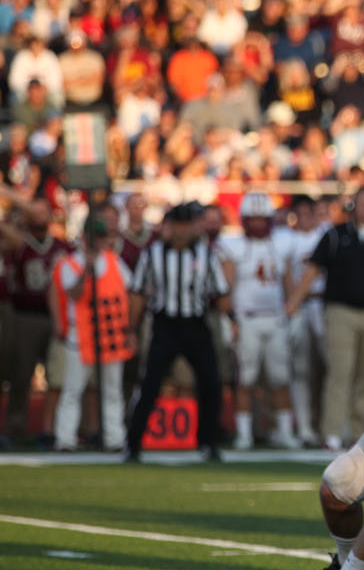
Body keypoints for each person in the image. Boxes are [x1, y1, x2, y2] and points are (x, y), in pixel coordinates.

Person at [124, 203, 230, 461]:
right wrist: (131, 328)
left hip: (196, 323)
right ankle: (133, 442)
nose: (186, 230)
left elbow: (221, 292)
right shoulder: (153, 254)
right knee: (150, 384)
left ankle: (208, 441)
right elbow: (137, 293)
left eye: (189, 224)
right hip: (165, 324)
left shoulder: (207, 254)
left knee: (210, 382)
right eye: (181, 224)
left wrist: (230, 319)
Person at [288, 189, 364, 451]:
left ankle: (358, 432)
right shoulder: (335, 235)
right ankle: (332, 431)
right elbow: (314, 268)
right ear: (353, 207)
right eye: (362, 203)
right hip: (339, 311)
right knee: (339, 372)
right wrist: (296, 299)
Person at [216, 193, 298, 450]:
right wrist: (229, 318)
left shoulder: (281, 244)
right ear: (244, 220)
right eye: (254, 219)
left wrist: (291, 314)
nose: (259, 224)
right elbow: (227, 286)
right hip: (247, 318)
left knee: (280, 378)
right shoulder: (233, 245)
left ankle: (284, 432)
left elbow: (288, 285)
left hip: (275, 318)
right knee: (246, 379)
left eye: (263, 219)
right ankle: (244, 434)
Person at [53, 214, 132, 452]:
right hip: (81, 335)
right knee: (73, 389)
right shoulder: (69, 263)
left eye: (101, 237)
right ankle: (65, 438)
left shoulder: (113, 260)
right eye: (95, 237)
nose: (98, 242)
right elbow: (73, 293)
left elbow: (129, 288)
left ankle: (115, 438)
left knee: (112, 390)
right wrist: (86, 270)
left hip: (110, 334)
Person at [1, 197, 70, 447]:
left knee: (58, 377)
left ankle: (55, 430)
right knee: (21, 374)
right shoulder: (19, 244)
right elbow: (11, 238)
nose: (39, 216)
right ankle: (14, 428)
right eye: (35, 211)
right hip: (26, 316)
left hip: (56, 318)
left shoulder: (62, 246)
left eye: (43, 211)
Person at [275, 195, 327, 446]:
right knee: (301, 370)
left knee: (329, 368)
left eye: (310, 212)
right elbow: (284, 273)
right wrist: (291, 303)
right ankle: (305, 426)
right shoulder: (286, 238)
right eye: (301, 212)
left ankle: (327, 426)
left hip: (323, 303)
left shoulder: (326, 234)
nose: (306, 217)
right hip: (299, 306)